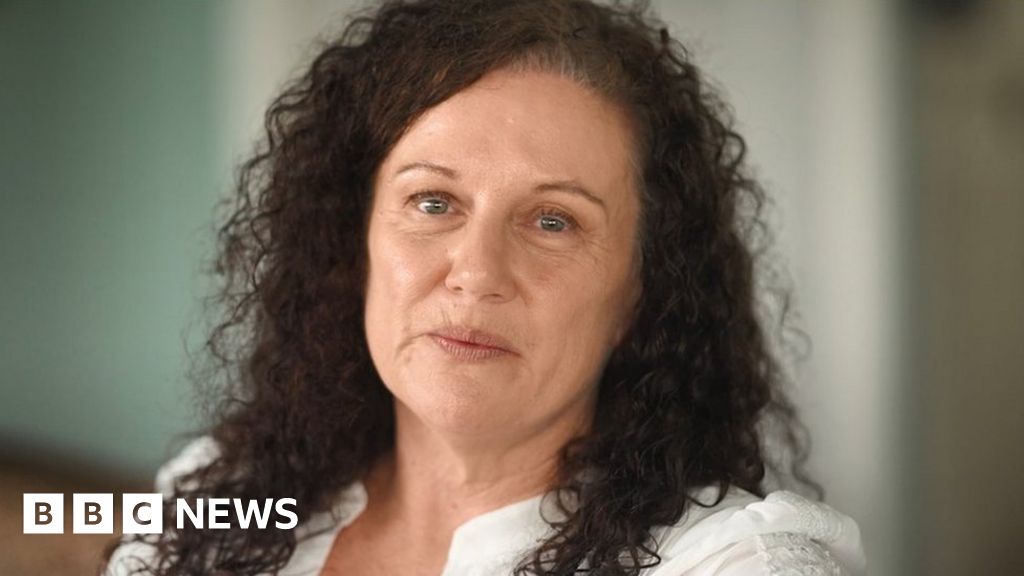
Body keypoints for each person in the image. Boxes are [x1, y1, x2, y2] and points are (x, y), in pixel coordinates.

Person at [102, 0, 866, 574]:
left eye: (553, 221)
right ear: (353, 245)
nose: (475, 273)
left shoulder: (739, 563)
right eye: (433, 203)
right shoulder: (218, 502)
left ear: (641, 295)